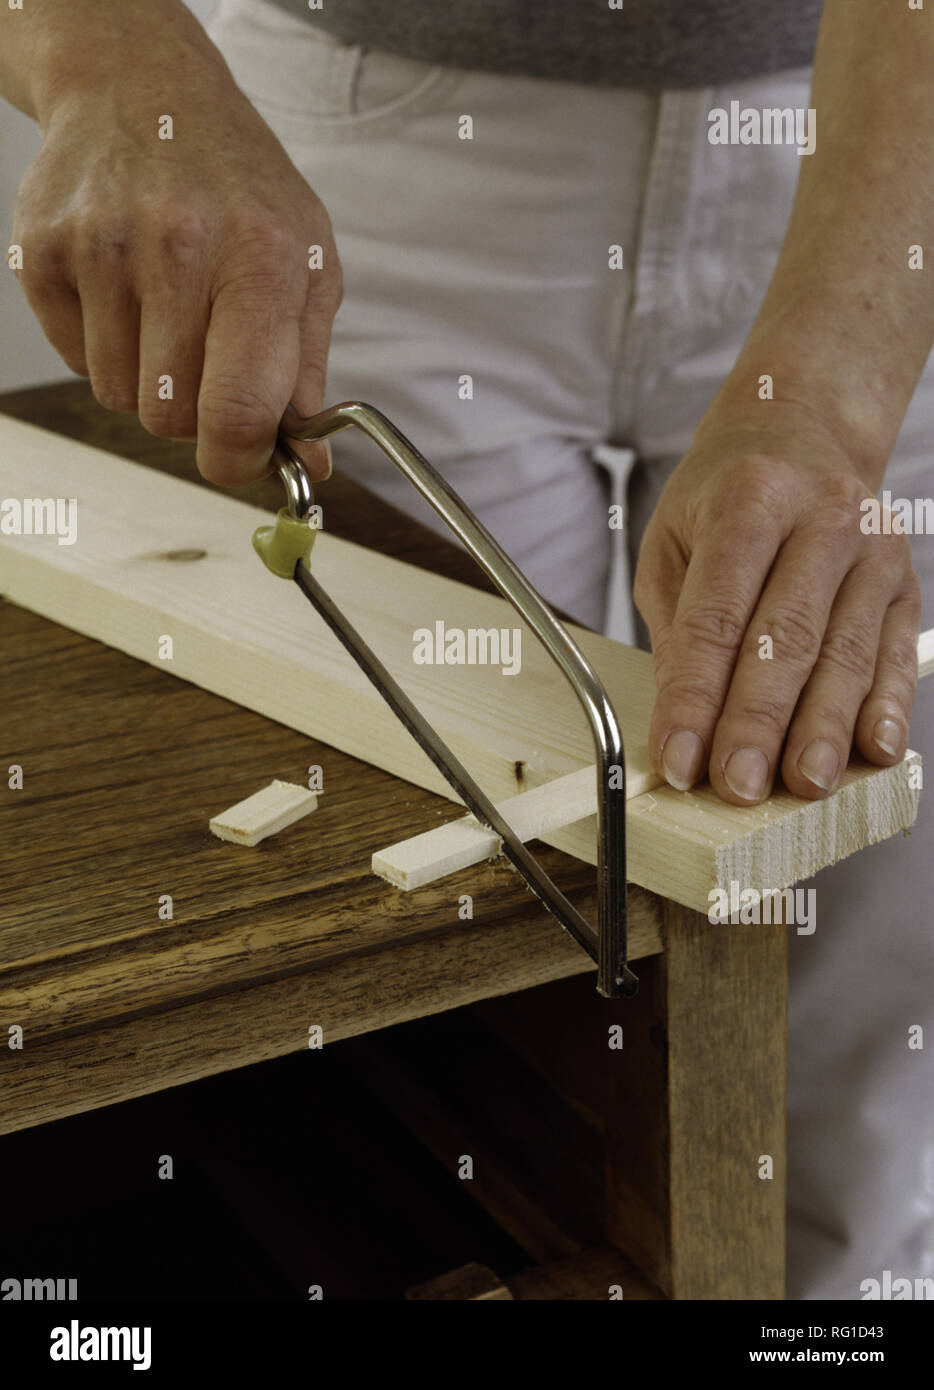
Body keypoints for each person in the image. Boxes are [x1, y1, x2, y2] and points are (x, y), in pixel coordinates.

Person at [2, 0, 931, 1300]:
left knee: (859, 1063)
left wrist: (834, 398)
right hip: (359, 137)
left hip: (874, 159)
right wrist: (99, 53)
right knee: (452, 1055)